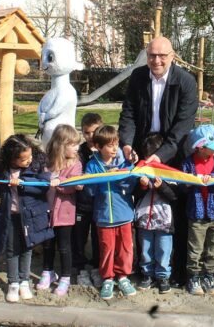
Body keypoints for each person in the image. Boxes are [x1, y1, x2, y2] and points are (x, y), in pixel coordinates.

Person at [118, 37, 198, 286]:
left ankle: (177, 270)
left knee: (176, 210)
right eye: (152, 55)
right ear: (146, 55)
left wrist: (161, 156)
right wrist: (127, 143)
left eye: (162, 55)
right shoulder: (139, 76)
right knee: (143, 209)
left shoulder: (186, 82)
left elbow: (183, 126)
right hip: (144, 148)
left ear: (172, 56)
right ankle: (144, 267)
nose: (157, 60)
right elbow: (128, 113)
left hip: (174, 153)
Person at [0, 134, 53, 303]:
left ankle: (24, 281)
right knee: (12, 250)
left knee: (27, 248)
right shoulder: (2, 169)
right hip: (10, 216)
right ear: (12, 159)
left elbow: (42, 189)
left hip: (30, 216)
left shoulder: (37, 165)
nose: (28, 160)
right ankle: (13, 283)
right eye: (23, 159)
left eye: (29, 156)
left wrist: (23, 183)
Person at [83, 125, 137, 300]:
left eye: (116, 144)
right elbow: (89, 192)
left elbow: (130, 187)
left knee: (125, 248)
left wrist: (119, 176)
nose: (115, 148)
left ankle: (123, 276)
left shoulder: (125, 163)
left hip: (124, 214)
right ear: (98, 147)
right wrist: (98, 180)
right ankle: (107, 277)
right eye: (110, 145)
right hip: (104, 216)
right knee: (106, 248)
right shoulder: (92, 165)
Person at [182, 124, 214, 296]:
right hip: (197, 214)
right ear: (201, 147)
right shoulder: (188, 163)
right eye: (213, 147)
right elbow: (182, 185)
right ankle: (193, 276)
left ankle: (208, 275)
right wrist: (191, 181)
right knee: (195, 248)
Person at [40, 125, 83, 296]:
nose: (77, 148)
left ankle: (65, 276)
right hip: (47, 212)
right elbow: (41, 178)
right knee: (47, 245)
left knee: (64, 247)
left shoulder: (76, 164)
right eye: (72, 144)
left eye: (77, 144)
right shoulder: (47, 163)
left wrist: (60, 180)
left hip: (65, 214)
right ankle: (47, 272)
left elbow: (74, 185)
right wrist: (50, 177)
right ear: (61, 145)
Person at [134, 133, 178, 294]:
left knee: (164, 249)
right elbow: (135, 194)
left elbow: (174, 195)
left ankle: (163, 276)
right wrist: (142, 186)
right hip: (144, 219)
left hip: (164, 222)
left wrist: (162, 186)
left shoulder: (170, 172)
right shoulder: (141, 170)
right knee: (145, 249)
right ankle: (147, 274)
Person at [72, 113, 102, 287]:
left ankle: (97, 267)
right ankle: (81, 268)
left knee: (99, 238)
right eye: (86, 132)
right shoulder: (80, 151)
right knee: (79, 237)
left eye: (94, 131)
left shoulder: (108, 148)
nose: (90, 136)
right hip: (82, 203)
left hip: (100, 203)